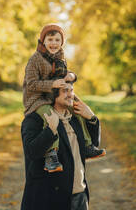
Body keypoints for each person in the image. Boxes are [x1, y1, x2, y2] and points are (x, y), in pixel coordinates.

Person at [23, 23, 106, 172]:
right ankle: (51, 155)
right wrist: (52, 83)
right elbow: (31, 84)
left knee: (78, 106)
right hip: (37, 98)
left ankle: (87, 145)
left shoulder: (60, 55)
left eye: (57, 40)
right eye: (50, 39)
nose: (53, 43)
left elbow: (65, 73)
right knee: (49, 114)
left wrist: (72, 76)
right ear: (43, 41)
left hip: (54, 93)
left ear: (61, 42)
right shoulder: (35, 59)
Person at [21, 82, 102, 210]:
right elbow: (31, 152)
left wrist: (91, 118)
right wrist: (50, 130)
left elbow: (92, 146)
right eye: (65, 91)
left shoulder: (74, 118)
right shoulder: (34, 119)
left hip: (79, 195)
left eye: (72, 90)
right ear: (52, 93)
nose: (71, 94)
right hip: (48, 199)